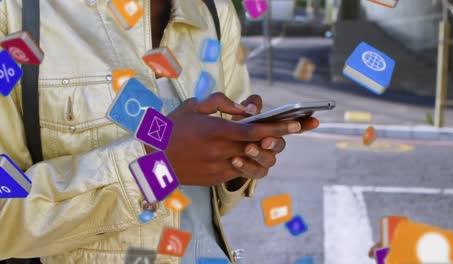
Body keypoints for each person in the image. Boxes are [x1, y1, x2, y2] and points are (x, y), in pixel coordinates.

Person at [0, 0, 319, 263]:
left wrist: (239, 158)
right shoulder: (16, 14)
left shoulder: (213, 12)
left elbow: (211, 205)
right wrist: (153, 169)